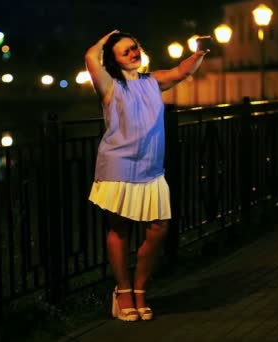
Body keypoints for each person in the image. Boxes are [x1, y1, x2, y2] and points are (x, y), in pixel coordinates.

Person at [85, 30, 208, 322]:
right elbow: (90, 57)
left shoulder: (151, 81)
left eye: (135, 48)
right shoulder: (109, 85)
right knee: (120, 230)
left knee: (159, 228)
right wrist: (107, 38)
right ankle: (123, 292)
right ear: (114, 60)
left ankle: (139, 289)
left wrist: (200, 52)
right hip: (118, 165)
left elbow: (180, 72)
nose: (133, 53)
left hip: (151, 168)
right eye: (125, 51)